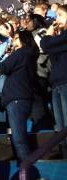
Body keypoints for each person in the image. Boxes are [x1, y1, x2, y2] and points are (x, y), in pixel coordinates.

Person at [0, 30, 39, 161]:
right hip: (23, 97)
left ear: (23, 39)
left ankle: (26, 171)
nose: (14, 42)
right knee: (19, 138)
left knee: (19, 139)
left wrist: (10, 54)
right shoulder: (30, 54)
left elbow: (2, 68)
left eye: (16, 39)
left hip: (16, 99)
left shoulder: (21, 53)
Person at [40, 4, 67, 157]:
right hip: (57, 84)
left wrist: (49, 35)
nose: (57, 20)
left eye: (61, 16)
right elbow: (51, 52)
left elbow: (45, 44)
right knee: (60, 131)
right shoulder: (61, 37)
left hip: (65, 83)